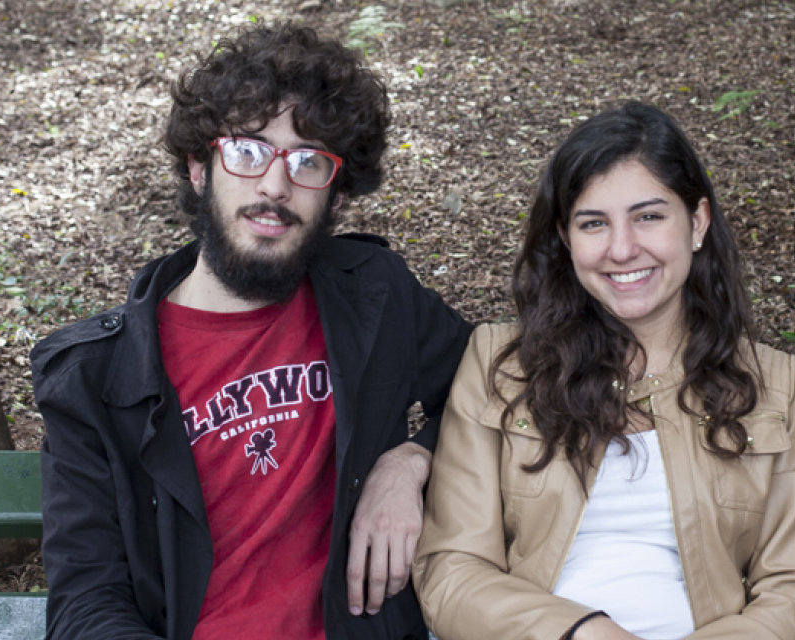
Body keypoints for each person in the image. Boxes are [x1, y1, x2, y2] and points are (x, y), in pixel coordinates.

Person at [31, 24, 472, 640]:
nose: (274, 186)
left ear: (337, 196)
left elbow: (506, 383)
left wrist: (413, 460)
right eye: (247, 151)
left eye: (309, 161)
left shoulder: (375, 297)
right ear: (199, 169)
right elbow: (86, 601)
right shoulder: (96, 381)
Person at [413, 102, 795, 640]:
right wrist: (584, 633)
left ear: (697, 223)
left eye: (648, 216)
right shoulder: (501, 367)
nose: (621, 249)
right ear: (566, 239)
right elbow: (453, 571)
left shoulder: (777, 386)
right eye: (594, 223)